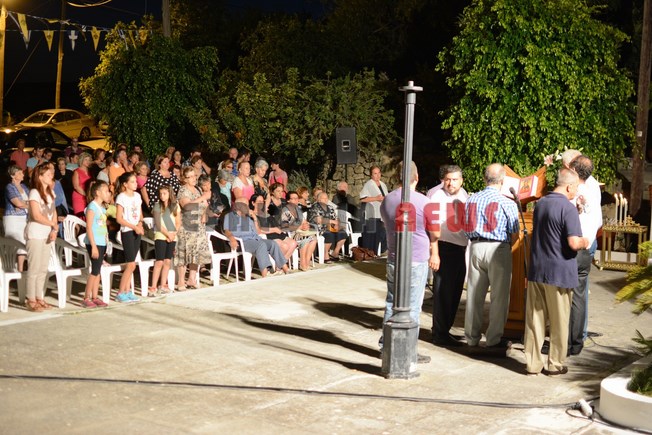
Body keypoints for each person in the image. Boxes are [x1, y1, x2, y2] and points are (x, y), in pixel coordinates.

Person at [524, 169, 589, 376]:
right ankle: (555, 364)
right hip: (559, 272)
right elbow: (573, 242)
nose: (576, 192)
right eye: (576, 188)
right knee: (559, 321)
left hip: (537, 269)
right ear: (569, 187)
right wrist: (585, 241)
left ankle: (533, 364)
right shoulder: (567, 208)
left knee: (535, 320)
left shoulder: (541, 203)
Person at [379, 161, 439, 363]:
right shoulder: (425, 202)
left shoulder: (387, 200)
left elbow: (386, 223)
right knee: (413, 305)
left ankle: (386, 346)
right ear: (417, 177)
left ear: (397, 176)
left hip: (394, 257)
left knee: (391, 302)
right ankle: (407, 349)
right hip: (416, 258)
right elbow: (436, 233)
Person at [463, 163, 519, 349]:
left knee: (474, 295)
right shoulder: (508, 202)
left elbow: (466, 225)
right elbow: (514, 233)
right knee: (499, 297)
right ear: (502, 181)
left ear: (484, 178)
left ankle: (471, 338)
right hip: (498, 249)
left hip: (476, 246)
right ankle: (493, 339)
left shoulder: (471, 199)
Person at [428, 164, 469, 347]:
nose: (451, 183)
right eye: (448, 179)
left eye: (455, 180)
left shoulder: (463, 194)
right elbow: (432, 227)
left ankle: (445, 330)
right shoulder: (436, 196)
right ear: (442, 180)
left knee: (455, 292)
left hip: (459, 248)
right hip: (444, 248)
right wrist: (434, 253)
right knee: (443, 293)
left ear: (461, 181)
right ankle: (439, 333)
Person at [567, 154, 602, 356]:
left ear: (573, 170)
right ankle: (576, 342)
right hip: (587, 246)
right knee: (579, 295)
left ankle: (564, 342)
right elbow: (598, 221)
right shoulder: (593, 189)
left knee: (564, 296)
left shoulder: (573, 191)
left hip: (573, 246)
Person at [222, 198, 289, 277]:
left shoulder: (248, 217)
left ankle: (286, 270)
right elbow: (226, 230)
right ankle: (265, 274)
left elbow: (258, 231)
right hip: (242, 242)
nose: (248, 206)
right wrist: (232, 239)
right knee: (261, 245)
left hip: (255, 239)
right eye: (245, 205)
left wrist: (255, 218)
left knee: (272, 243)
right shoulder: (230, 216)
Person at [25, 163, 59, 312]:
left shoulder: (51, 192)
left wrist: (54, 228)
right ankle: (30, 299)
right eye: (48, 174)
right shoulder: (34, 192)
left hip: (47, 233)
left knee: (43, 268)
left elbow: (54, 211)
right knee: (34, 268)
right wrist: (52, 224)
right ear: (40, 177)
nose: (51, 176)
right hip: (36, 233)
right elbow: (36, 215)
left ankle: (40, 297)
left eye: (51, 174)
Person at [175, 167, 212, 290]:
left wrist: (204, 213)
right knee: (185, 253)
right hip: (187, 225)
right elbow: (187, 206)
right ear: (185, 179)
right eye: (190, 176)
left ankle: (192, 279)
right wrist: (203, 197)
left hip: (199, 225)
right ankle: (181, 281)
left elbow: (203, 205)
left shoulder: (197, 190)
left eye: (194, 176)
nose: (193, 178)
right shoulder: (183, 190)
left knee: (196, 253)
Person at [114, 172, 144, 303]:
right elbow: (119, 218)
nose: (135, 184)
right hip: (127, 231)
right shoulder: (121, 197)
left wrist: (140, 224)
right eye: (132, 182)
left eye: (135, 181)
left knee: (132, 263)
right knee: (131, 264)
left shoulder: (137, 196)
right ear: (125, 184)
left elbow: (140, 213)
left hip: (137, 230)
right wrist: (133, 227)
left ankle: (127, 291)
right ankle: (121, 292)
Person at [81, 181, 111, 308]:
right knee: (94, 271)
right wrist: (93, 246)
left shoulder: (102, 208)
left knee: (98, 270)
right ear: (97, 193)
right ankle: (86, 297)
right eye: (106, 191)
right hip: (94, 242)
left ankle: (95, 296)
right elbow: (89, 227)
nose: (108, 193)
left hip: (101, 242)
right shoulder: (92, 207)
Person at [149, 185, 180, 296]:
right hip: (161, 236)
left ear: (169, 194)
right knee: (159, 261)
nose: (162, 196)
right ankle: (153, 287)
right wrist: (167, 234)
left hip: (172, 236)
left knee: (167, 261)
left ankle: (163, 285)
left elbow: (178, 222)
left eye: (164, 193)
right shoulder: (157, 206)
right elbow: (158, 224)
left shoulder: (175, 206)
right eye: (161, 194)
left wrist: (173, 234)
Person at [251, 191, 297, 262]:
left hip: (277, 233)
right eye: (259, 202)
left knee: (293, 243)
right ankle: (279, 266)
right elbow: (258, 230)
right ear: (253, 203)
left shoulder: (265, 213)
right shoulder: (252, 215)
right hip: (268, 236)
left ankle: (281, 264)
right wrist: (274, 229)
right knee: (284, 246)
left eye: (262, 202)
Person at [281, 191, 317, 271]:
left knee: (313, 239)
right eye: (293, 199)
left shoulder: (298, 210)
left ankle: (307, 261)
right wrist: (299, 227)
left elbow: (304, 221)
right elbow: (285, 227)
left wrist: (305, 225)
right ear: (288, 200)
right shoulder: (285, 211)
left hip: (301, 232)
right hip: (291, 233)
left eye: (297, 198)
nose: (296, 200)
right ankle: (302, 263)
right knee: (305, 239)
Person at [3, 165, 29, 271]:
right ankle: (8, 269)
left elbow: (31, 201)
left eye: (22, 172)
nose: (22, 174)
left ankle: (20, 269)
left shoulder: (24, 187)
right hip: (13, 218)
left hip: (24, 217)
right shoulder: (9, 187)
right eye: (19, 173)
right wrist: (24, 204)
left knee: (22, 243)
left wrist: (24, 204)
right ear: (12, 175)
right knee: (13, 244)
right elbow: (17, 203)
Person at [308, 192, 347, 262]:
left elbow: (335, 218)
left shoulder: (330, 207)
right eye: (323, 198)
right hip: (319, 228)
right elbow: (317, 220)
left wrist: (336, 224)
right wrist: (331, 222)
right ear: (319, 199)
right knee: (329, 234)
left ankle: (335, 252)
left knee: (343, 233)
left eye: (326, 198)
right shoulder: (315, 207)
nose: (326, 200)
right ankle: (325, 254)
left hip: (330, 227)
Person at [360, 165, 388, 255]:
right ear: (371, 175)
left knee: (381, 233)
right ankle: (370, 253)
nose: (377, 175)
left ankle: (379, 251)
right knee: (372, 235)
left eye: (379, 173)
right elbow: (362, 199)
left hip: (381, 213)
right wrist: (376, 198)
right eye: (375, 173)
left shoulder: (383, 184)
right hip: (372, 214)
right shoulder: (369, 184)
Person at [71, 152, 93, 218]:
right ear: (81, 160)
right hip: (79, 196)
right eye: (86, 159)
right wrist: (86, 195)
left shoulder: (90, 171)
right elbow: (76, 186)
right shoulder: (76, 171)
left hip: (88, 196)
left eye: (89, 160)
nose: (88, 161)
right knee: (80, 217)